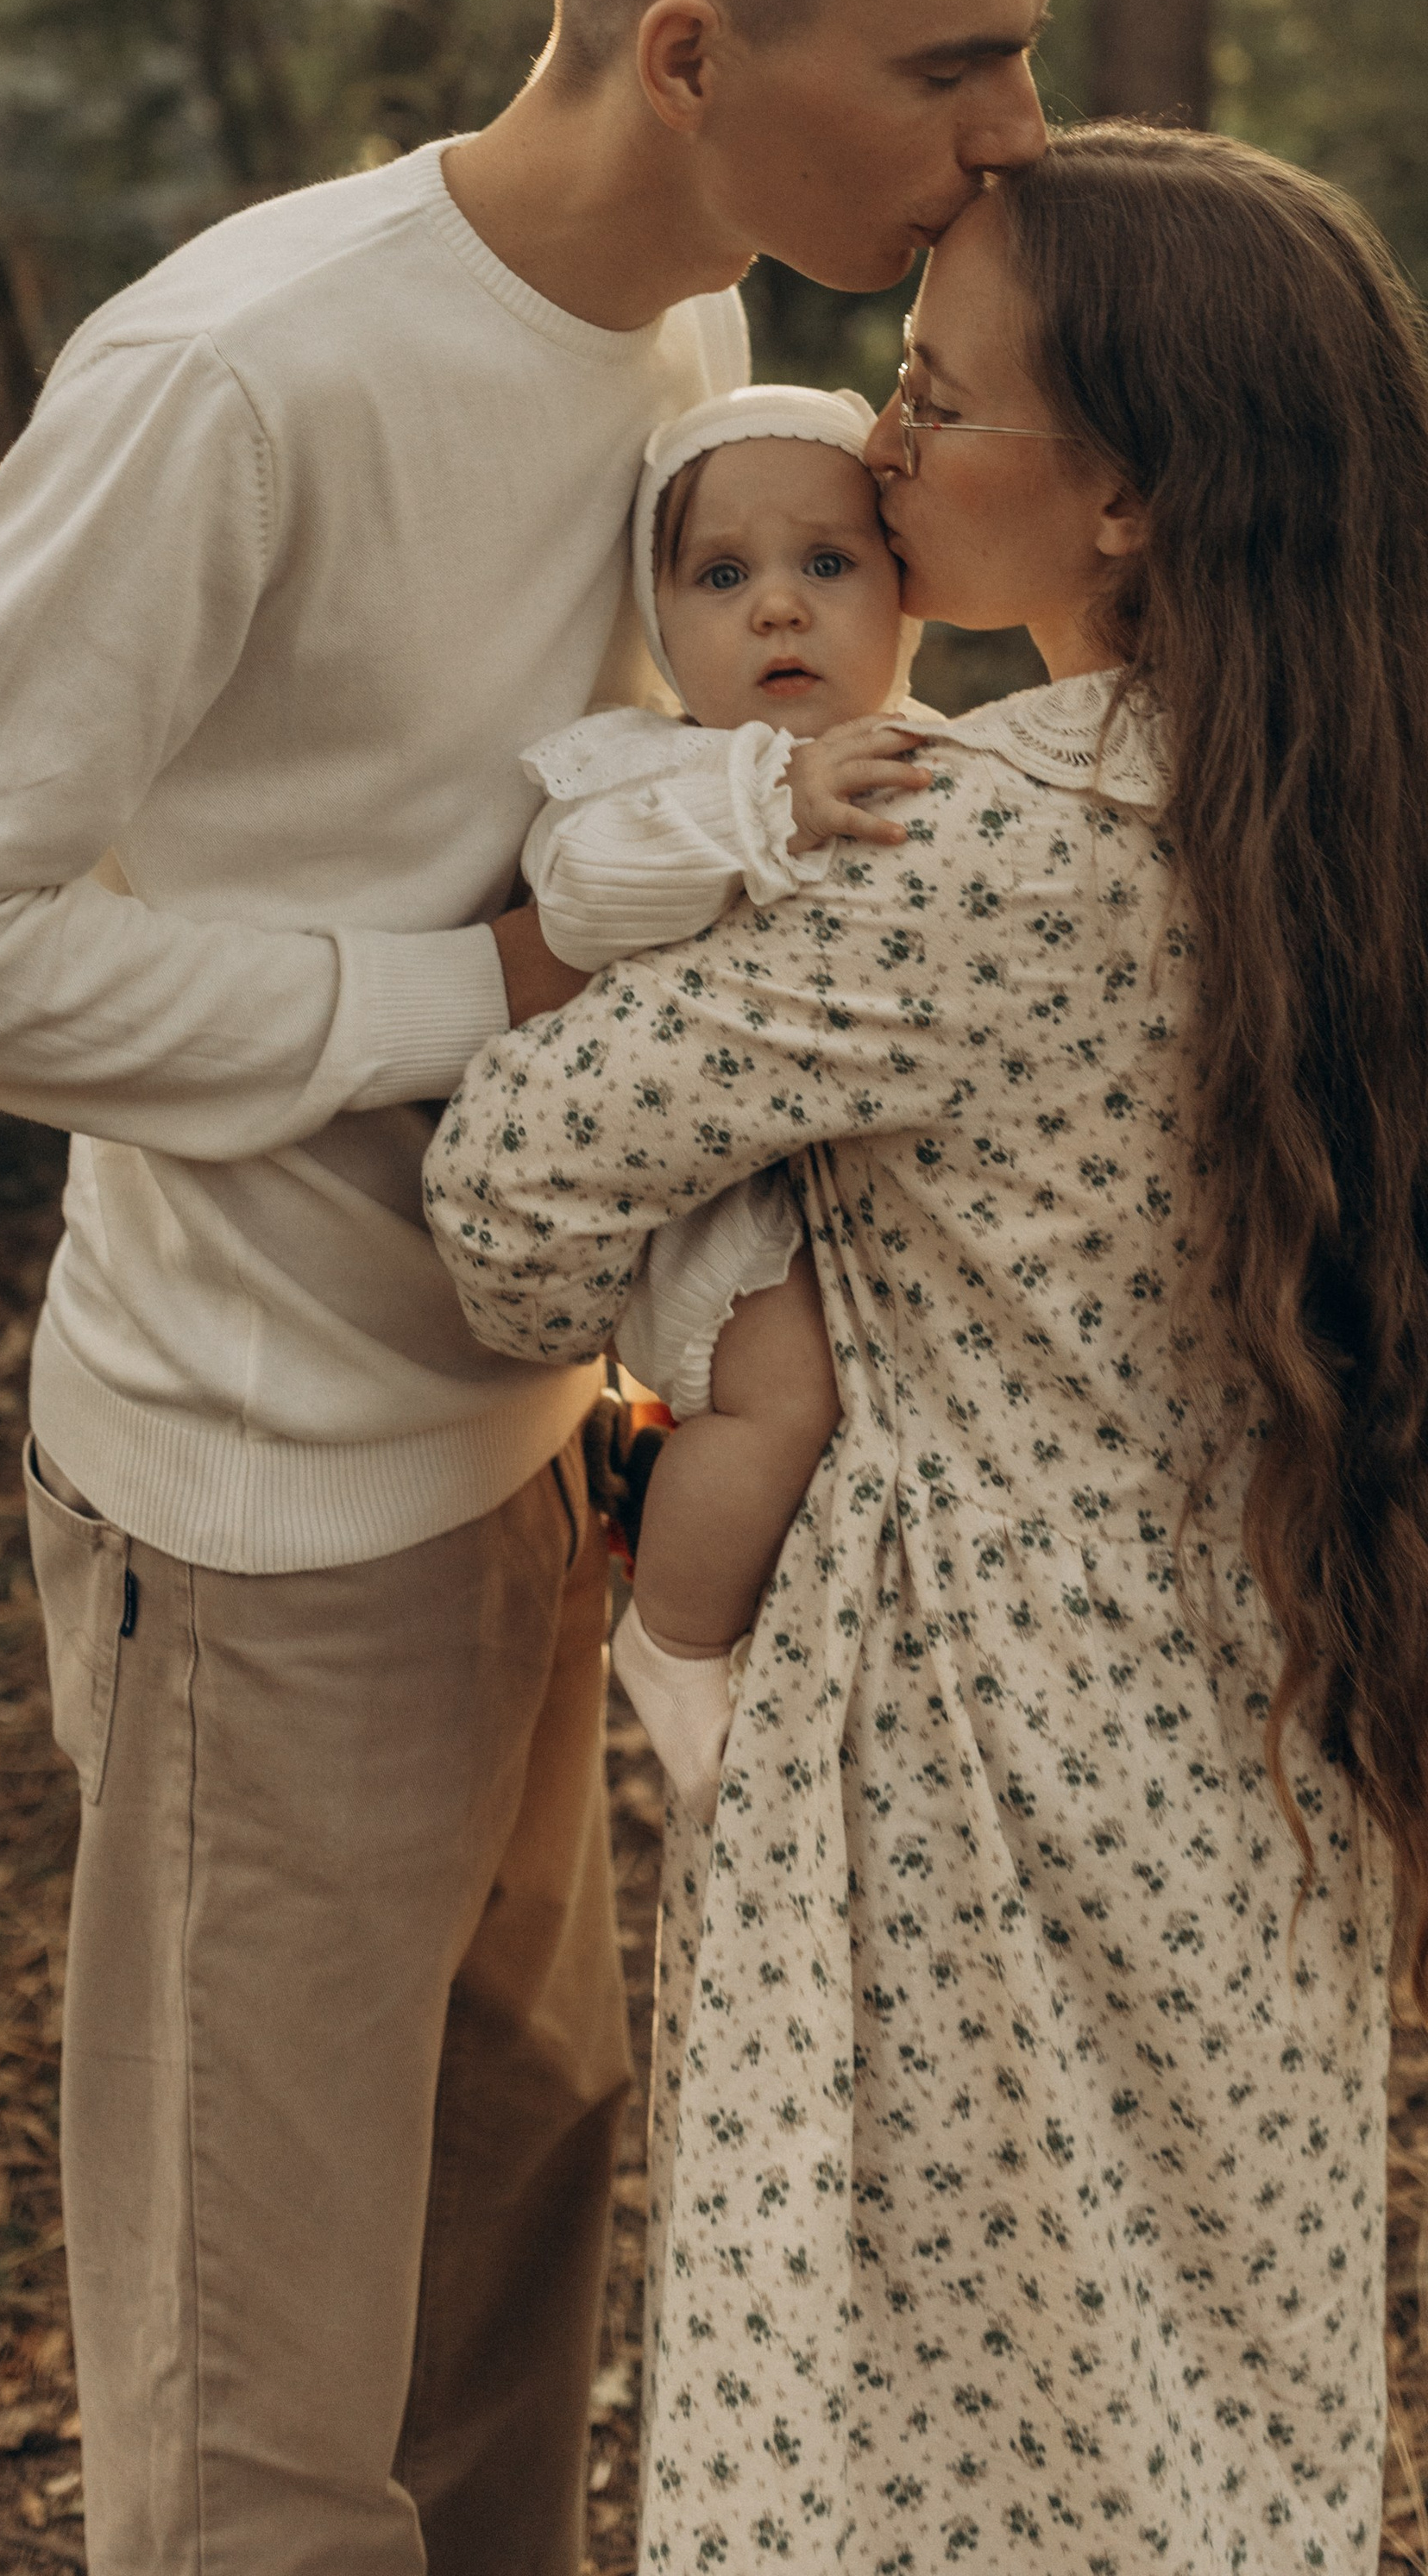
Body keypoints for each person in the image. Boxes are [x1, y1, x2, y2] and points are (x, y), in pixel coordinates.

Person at [0, 0, 1050, 2576]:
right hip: (259, 1513)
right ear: (698, 53)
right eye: (956, 59)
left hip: (536, 1461)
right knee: (262, 2423)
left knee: (509, 2270)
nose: (1010, 128)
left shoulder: (693, 332)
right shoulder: (241, 375)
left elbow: (614, 834)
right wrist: (451, 997)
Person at [425, 124, 1428, 2572]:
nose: (876, 447)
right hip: (1263, 1700)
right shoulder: (1340, 803)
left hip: (971, 1761)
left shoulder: (965, 848)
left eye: (936, 402)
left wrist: (669, 1330)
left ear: (1133, 495)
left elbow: (510, 1197)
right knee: (1177, 2405)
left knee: (905, 2435)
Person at [513, 383, 937, 1815]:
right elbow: (577, 901)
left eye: (827, 566)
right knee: (783, 1398)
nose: (778, 611)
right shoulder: (650, 771)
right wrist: (768, 808)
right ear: (657, 617)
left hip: (878, 1195)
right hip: (724, 1214)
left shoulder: (930, 753)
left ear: (904, 601)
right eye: (722, 575)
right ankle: (679, 1638)